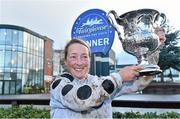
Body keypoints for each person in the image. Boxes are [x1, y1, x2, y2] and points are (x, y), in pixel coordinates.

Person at [50, 28, 166, 118]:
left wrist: (153, 49)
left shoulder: (100, 82)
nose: (79, 62)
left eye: (84, 56)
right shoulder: (59, 84)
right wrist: (119, 77)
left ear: (90, 60)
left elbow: (140, 82)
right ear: (65, 60)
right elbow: (81, 100)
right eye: (73, 57)